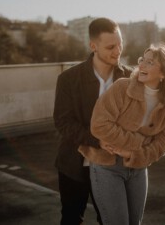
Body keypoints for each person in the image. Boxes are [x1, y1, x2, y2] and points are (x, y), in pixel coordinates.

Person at [79, 43, 165, 225]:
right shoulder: (122, 88)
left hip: (138, 168)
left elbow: (164, 142)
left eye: (150, 63)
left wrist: (135, 154)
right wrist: (138, 142)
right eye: (142, 60)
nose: (141, 65)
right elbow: (99, 125)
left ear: (164, 73)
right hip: (106, 166)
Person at [53, 17, 133, 225]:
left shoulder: (131, 79)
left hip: (114, 167)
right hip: (73, 165)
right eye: (110, 47)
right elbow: (63, 122)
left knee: (111, 221)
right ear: (93, 46)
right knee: (71, 219)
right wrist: (97, 141)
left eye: (120, 45)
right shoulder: (68, 79)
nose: (117, 51)